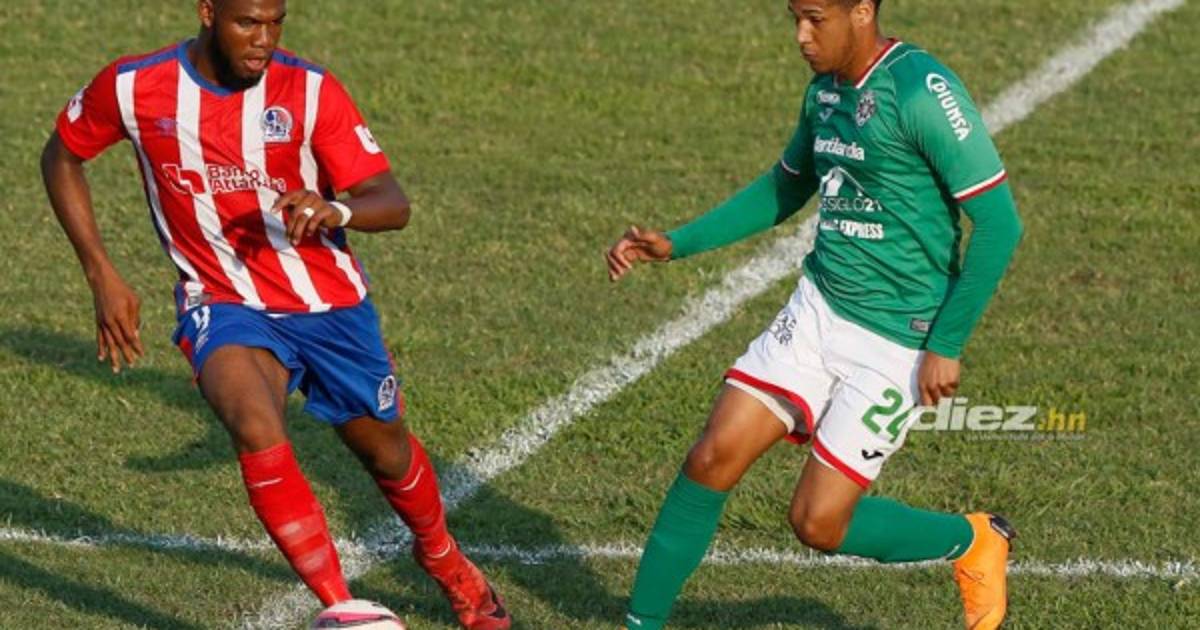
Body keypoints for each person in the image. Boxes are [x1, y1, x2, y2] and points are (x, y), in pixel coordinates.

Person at [40, 1, 510, 628]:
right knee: (254, 424)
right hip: (222, 299)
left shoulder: (309, 90)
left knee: (386, 453)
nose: (263, 39)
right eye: (247, 23)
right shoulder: (135, 86)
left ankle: (443, 557)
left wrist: (337, 211)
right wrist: (100, 271)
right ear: (208, 12)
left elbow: (392, 201)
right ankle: (342, 607)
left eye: (275, 22)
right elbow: (61, 155)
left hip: (327, 305)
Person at [606, 1, 1024, 629]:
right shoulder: (824, 91)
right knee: (712, 456)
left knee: (817, 522)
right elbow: (787, 184)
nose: (801, 36)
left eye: (815, 19)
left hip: (898, 342)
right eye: (795, 18)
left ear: (861, 12)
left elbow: (999, 224)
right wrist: (677, 243)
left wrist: (947, 342)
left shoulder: (921, 91)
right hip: (818, 311)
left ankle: (973, 540)